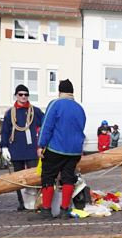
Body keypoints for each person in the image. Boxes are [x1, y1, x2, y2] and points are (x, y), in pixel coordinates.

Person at [36, 79, 85, 219]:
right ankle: (65, 209)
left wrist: (41, 145)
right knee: (68, 178)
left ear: (60, 91)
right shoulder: (79, 108)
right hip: (74, 150)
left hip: (56, 148)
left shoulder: (55, 104)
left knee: (48, 177)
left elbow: (47, 126)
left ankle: (46, 210)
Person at [0, 85, 46, 209]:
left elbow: (46, 125)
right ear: (16, 96)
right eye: (20, 94)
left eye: (26, 94)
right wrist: (4, 147)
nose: (23, 97)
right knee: (18, 178)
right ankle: (22, 203)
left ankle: (36, 201)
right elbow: (5, 131)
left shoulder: (35, 111)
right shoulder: (10, 113)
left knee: (35, 177)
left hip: (31, 149)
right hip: (16, 148)